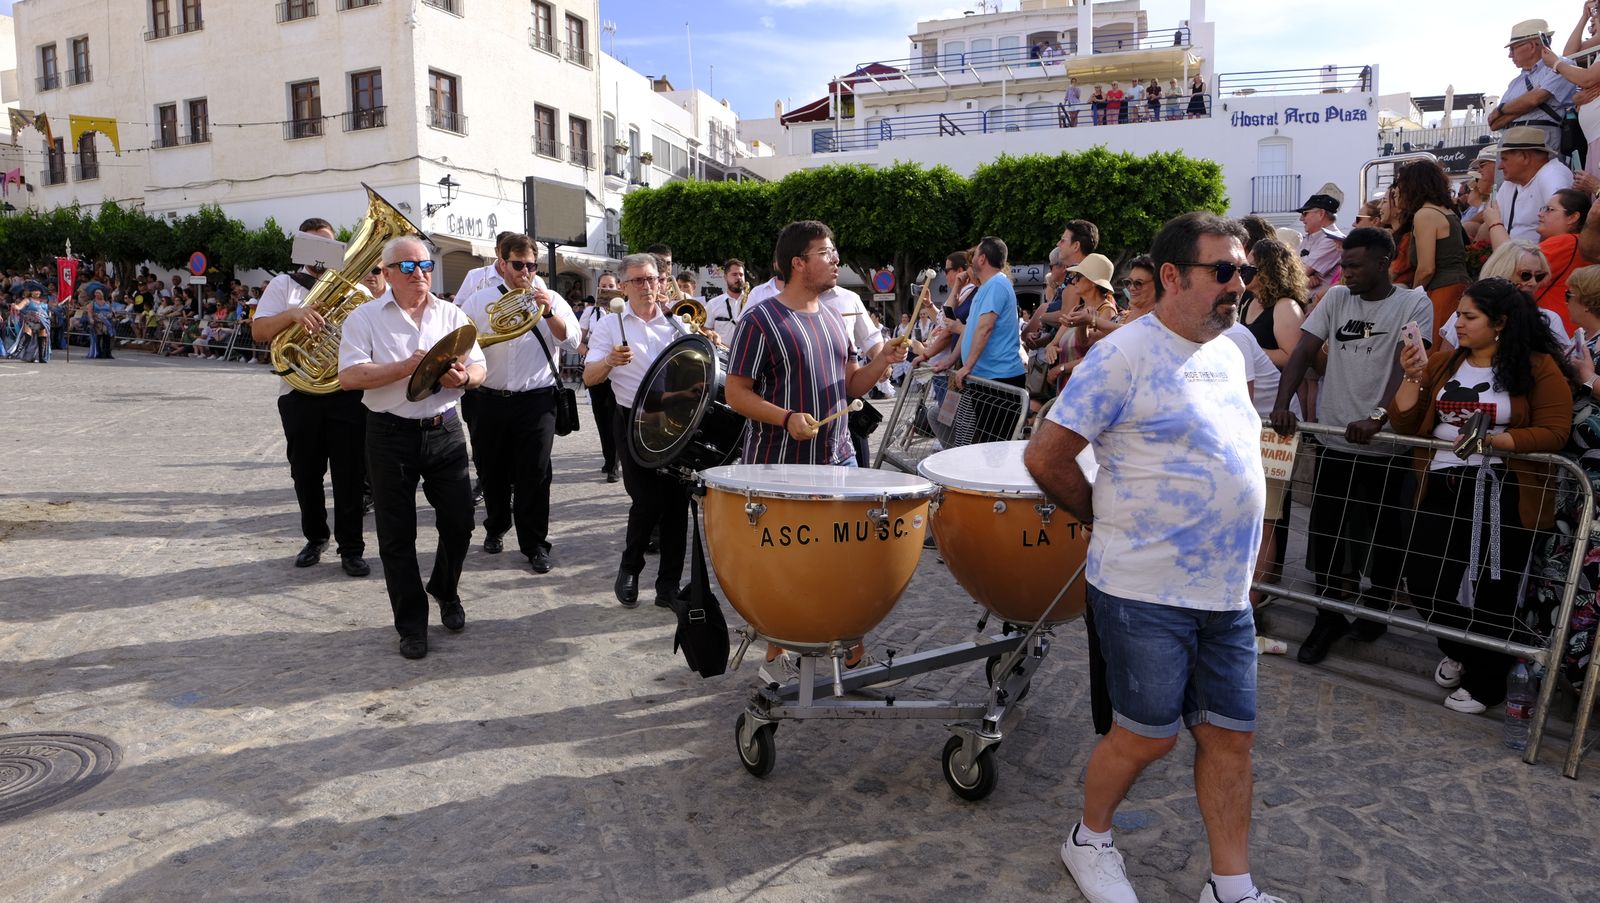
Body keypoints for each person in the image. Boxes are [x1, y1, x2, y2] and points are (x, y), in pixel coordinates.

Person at [1026, 212, 1282, 903]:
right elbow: (1047, 456)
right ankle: (1089, 839)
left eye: (1243, 272)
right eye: (1222, 271)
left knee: (1230, 738)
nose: (1239, 284)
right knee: (1145, 736)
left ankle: (1232, 887)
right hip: (1144, 590)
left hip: (1224, 595)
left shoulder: (1232, 351)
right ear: (1173, 275)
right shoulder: (1123, 354)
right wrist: (1104, 516)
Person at [1391, 277, 1572, 713]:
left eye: (1469, 316)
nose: (1457, 323)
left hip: (1503, 490)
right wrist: (1412, 376)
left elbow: (1555, 431)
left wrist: (1498, 442)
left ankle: (1486, 685)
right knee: (1424, 583)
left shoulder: (1538, 367)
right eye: (1459, 314)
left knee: (1495, 589)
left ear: (1500, 323)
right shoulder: (1443, 362)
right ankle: (1471, 653)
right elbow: (1403, 421)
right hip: (1441, 485)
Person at [1272, 227, 1434, 665]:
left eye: (1356, 265)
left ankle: (1376, 612)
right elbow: (1303, 350)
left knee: (1386, 535)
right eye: (1344, 264)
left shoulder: (1413, 303)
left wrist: (1379, 417)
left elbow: (1408, 366)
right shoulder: (1337, 299)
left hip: (1387, 447)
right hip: (1335, 441)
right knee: (1325, 533)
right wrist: (1283, 404)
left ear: (1384, 263)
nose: (1346, 273)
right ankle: (1327, 616)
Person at [338, 237, 487, 660]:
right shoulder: (364, 317)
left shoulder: (451, 313)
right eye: (407, 267)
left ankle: (445, 588)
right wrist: (405, 368)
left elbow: (479, 365)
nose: (419, 273)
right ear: (386, 273)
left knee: (460, 521)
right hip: (389, 433)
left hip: (445, 429)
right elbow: (349, 376)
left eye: (425, 265)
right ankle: (411, 624)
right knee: (396, 535)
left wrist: (466, 379)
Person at [725, 220, 905, 467]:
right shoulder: (758, 321)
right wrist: (786, 418)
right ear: (798, 263)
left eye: (834, 252)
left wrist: (883, 358)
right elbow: (735, 393)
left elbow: (852, 385)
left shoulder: (835, 318)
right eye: (825, 253)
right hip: (779, 467)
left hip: (842, 458)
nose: (836, 260)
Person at [251, 218, 370, 577]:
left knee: (350, 475)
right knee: (305, 473)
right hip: (298, 394)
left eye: (328, 245)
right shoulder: (284, 285)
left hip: (345, 393)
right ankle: (316, 537)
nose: (321, 253)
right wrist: (292, 314)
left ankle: (352, 548)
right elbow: (259, 331)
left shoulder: (352, 289)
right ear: (301, 247)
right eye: (313, 244)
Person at [459, 233, 579, 574]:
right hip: (489, 399)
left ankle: (535, 543)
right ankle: (496, 526)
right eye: (518, 265)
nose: (525, 272)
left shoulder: (551, 298)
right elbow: (461, 342)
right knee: (490, 469)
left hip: (537, 401)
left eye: (531, 266)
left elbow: (572, 341)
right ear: (502, 264)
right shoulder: (480, 300)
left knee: (535, 473)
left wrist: (548, 311)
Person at [583, 253, 690, 610]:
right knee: (646, 501)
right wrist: (609, 361)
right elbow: (589, 377)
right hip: (632, 419)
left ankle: (668, 586)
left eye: (652, 279)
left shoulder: (677, 323)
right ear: (624, 287)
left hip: (674, 421)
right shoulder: (609, 325)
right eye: (639, 280)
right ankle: (630, 568)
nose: (648, 286)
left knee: (676, 506)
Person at [951, 236, 1028, 443]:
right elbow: (972, 330)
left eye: (975, 254)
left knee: (995, 447)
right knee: (987, 445)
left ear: (982, 258)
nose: (972, 259)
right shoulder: (987, 286)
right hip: (988, 379)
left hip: (999, 380)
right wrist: (951, 361)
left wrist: (968, 366)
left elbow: (985, 328)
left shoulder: (996, 285)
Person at [1391, 159, 1471, 346]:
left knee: (1430, 350)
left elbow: (1426, 268)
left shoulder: (1425, 214)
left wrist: (1411, 298)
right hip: (1457, 287)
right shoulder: (1446, 211)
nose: (1398, 192)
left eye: (1401, 186)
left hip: (1442, 291)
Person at [1489, 19, 1577, 156]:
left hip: (1539, 139)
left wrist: (1500, 109)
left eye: (1513, 48)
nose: (1510, 55)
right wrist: (1523, 105)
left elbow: (1534, 99)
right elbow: (1494, 124)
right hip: (1509, 141)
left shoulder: (1562, 65)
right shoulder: (1515, 82)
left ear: (1531, 46)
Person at [1491, 126, 1575, 244]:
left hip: (1539, 254)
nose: (1500, 166)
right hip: (1515, 252)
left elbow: (1561, 233)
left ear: (1525, 157)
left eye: (1504, 159)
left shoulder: (1553, 176)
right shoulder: (1511, 182)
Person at [578, 271, 622, 482]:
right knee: (601, 417)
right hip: (597, 369)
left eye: (610, 285)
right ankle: (608, 458)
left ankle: (614, 464)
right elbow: (577, 339)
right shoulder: (591, 312)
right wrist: (588, 353)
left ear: (618, 287)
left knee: (616, 416)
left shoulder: (624, 310)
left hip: (618, 372)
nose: (607, 289)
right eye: (603, 286)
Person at [1295, 183, 1346, 304]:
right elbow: (1294, 268)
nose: (1301, 219)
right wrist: (1306, 277)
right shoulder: (1311, 236)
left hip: (1316, 305)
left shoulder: (1333, 239)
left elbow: (1299, 271)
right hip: (1307, 302)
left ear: (1321, 214)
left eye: (1305, 213)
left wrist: (1304, 275)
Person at [705, 259, 749, 347]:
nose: (739, 278)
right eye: (734, 274)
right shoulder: (713, 304)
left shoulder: (752, 301)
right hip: (721, 352)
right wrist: (710, 333)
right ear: (725, 277)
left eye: (741, 274)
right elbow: (705, 328)